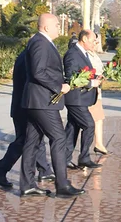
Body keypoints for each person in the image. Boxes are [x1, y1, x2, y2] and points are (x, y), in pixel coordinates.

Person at [19, 13, 85, 197]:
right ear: (46, 27)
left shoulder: (42, 42)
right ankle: (62, 185)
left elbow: (45, 70)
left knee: (32, 142)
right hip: (42, 102)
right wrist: (58, 87)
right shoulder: (40, 42)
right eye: (56, 24)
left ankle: (27, 185)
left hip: (37, 101)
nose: (59, 27)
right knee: (59, 138)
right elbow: (38, 72)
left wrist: (65, 82)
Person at [0, 49, 54, 188]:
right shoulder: (29, 57)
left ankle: (44, 170)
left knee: (35, 139)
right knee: (23, 141)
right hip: (24, 107)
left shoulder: (26, 55)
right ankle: (0, 170)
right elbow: (33, 83)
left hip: (24, 106)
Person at [63, 30, 102, 169]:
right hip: (75, 99)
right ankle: (84, 158)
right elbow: (71, 76)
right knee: (89, 124)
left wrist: (95, 77)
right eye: (93, 41)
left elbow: (81, 72)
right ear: (84, 39)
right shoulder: (73, 54)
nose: (95, 44)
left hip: (80, 99)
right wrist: (91, 83)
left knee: (72, 128)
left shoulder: (82, 53)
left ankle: (64, 159)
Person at [86, 34, 111, 155]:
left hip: (96, 91)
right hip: (90, 92)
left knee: (99, 118)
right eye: (94, 41)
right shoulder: (86, 55)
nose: (96, 44)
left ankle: (98, 143)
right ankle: (94, 145)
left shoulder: (94, 55)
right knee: (93, 120)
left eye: (97, 42)